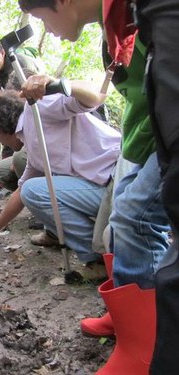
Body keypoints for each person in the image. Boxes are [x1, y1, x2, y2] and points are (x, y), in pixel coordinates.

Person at [18, 0, 170, 373]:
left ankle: (143, 349)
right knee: (120, 221)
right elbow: (126, 92)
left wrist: (56, 84)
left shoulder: (138, 12)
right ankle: (127, 320)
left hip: (164, 129)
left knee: (136, 219)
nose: (46, 29)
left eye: (41, 17)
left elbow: (94, 97)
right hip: (140, 134)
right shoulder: (112, 28)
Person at [0, 74, 121, 279]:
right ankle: (97, 259)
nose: (1, 142)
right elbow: (21, 193)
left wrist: (57, 85)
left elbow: (91, 99)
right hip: (98, 189)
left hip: (117, 178)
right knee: (32, 191)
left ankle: (99, 256)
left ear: (0, 128)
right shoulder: (31, 147)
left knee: (34, 190)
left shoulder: (37, 109)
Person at [133, 1, 179, 372]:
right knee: (125, 213)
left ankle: (144, 339)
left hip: (162, 135)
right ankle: (134, 328)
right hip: (149, 135)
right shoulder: (130, 20)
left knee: (135, 216)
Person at [0, 37, 37, 201]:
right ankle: (8, 184)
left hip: (33, 109)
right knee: (3, 129)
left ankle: (35, 190)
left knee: (25, 150)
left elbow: (32, 104)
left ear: (2, 53)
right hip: (13, 107)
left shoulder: (21, 64)